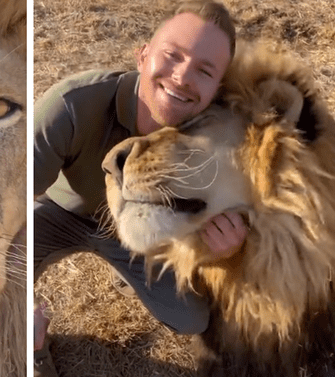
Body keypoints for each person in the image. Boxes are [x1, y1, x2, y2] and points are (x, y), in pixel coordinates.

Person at [33, 1, 248, 375]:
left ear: (217, 89)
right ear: (142, 55)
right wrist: (19, 302)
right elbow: (2, 204)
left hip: (136, 230)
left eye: (204, 70)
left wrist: (227, 253)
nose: (182, 78)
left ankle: (129, 266)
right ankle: (32, 348)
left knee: (192, 319)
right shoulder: (70, 105)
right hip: (61, 213)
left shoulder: (212, 134)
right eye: (172, 55)